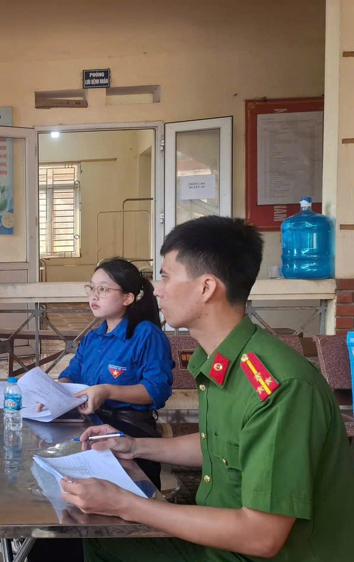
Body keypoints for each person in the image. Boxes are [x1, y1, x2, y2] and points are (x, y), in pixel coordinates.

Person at [61, 217, 354, 562]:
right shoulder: (221, 362)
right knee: (80, 537)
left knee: (90, 539)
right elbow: (217, 445)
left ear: (206, 288)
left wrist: (124, 504)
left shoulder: (279, 388)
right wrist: (134, 445)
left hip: (255, 553)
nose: (157, 290)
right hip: (219, 540)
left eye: (166, 276)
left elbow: (262, 537)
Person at [57, 258, 173, 488]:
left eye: (103, 289)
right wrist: (55, 393)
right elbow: (71, 375)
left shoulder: (146, 334)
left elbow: (156, 390)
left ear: (128, 298)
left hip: (129, 430)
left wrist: (107, 391)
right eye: (92, 288)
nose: (94, 296)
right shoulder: (93, 338)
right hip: (90, 424)